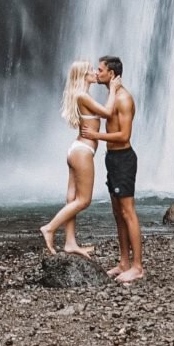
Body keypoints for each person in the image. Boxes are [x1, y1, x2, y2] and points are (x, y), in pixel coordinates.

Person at [88, 55, 143, 283]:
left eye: (100, 70)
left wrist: (96, 136)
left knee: (128, 212)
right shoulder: (113, 96)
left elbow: (124, 135)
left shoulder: (123, 99)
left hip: (124, 159)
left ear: (111, 74)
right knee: (117, 213)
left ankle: (138, 267)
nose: (96, 72)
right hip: (112, 157)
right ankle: (123, 262)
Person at [40, 59, 102, 255]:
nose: (95, 72)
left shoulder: (80, 95)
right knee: (84, 201)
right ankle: (49, 228)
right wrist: (116, 89)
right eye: (91, 70)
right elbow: (108, 112)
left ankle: (70, 243)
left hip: (76, 149)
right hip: (83, 152)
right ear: (83, 75)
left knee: (72, 198)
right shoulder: (83, 96)